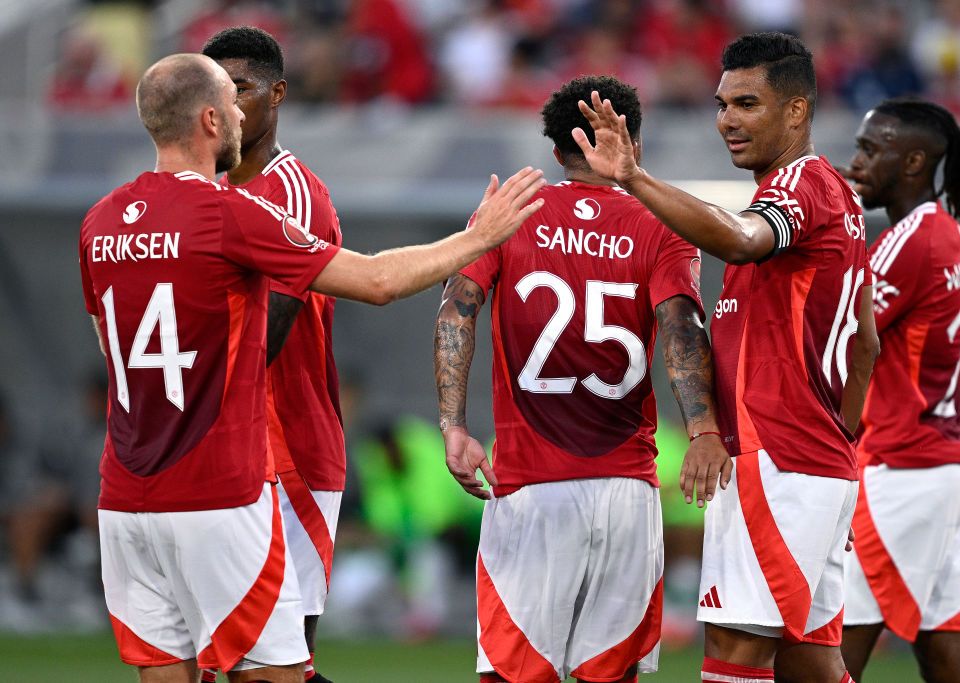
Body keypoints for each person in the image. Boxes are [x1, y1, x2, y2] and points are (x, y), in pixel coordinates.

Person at [79, 52, 544, 683]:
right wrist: (479, 237)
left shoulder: (99, 221)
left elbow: (111, 348)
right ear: (213, 120)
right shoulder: (226, 211)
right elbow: (377, 280)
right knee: (275, 672)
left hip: (124, 496)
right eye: (231, 101)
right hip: (217, 490)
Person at [574, 32, 879, 683]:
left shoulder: (802, 187)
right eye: (722, 104)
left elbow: (742, 241)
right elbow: (865, 347)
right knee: (811, 660)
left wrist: (634, 178)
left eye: (747, 102)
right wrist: (838, 461)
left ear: (796, 111)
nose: (727, 121)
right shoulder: (839, 201)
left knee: (735, 655)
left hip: (779, 462)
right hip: (811, 465)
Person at [434, 74, 726, 683]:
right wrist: (701, 427)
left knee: (515, 675)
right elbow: (681, 324)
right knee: (611, 675)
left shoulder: (510, 214)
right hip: (627, 489)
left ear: (556, 150)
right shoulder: (664, 224)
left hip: (529, 486)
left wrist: (453, 426)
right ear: (633, 144)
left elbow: (457, 309)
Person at [840, 98, 960, 682]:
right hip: (942, 472)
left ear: (911, 162)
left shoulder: (910, 243)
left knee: (825, 659)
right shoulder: (943, 231)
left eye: (868, 149)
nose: (854, 162)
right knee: (955, 664)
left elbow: (841, 341)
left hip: (900, 472)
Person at [201, 26, 340, 683]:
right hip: (221, 450)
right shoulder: (206, 193)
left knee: (276, 664)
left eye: (242, 90)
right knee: (230, 659)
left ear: (278, 93)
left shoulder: (295, 195)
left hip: (288, 453)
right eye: (216, 94)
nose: (228, 108)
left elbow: (265, 336)